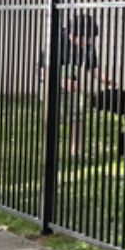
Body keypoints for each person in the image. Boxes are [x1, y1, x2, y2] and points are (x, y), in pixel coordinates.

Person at [50, 13, 102, 157]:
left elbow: (93, 68)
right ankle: (50, 152)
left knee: (78, 115)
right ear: (73, 34)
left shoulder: (88, 46)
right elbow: (43, 69)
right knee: (55, 115)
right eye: (87, 38)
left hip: (71, 85)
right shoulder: (56, 41)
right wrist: (61, 81)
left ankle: (75, 151)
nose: (89, 43)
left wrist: (107, 79)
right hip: (52, 84)